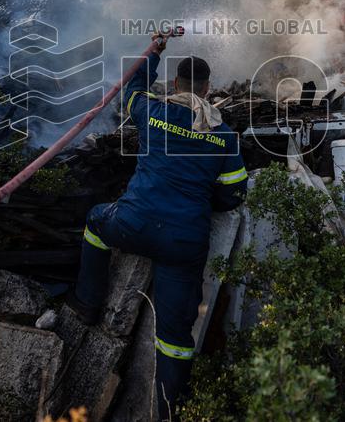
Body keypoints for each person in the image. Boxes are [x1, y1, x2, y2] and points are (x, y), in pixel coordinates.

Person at [66, 32, 248, 421]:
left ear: (177, 85)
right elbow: (234, 195)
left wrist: (154, 51)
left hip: (134, 222)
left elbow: (131, 88)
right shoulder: (224, 136)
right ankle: (169, 412)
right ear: (208, 88)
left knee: (96, 222)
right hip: (183, 243)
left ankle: (86, 302)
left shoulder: (154, 112)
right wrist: (200, 197)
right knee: (175, 338)